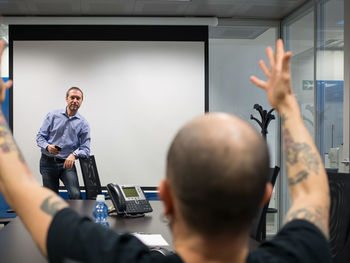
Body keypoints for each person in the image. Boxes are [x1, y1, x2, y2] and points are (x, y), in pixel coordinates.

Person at [0, 39, 330, 263]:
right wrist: (286, 105)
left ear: (165, 197)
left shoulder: (116, 256)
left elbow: (20, 189)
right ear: (264, 197)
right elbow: (312, 194)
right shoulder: (301, 252)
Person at [36, 86, 91, 199]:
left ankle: (75, 217)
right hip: (48, 163)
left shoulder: (83, 124)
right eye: (72, 97)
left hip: (67, 164)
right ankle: (55, 217)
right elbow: (40, 137)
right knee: (51, 199)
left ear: (81, 101)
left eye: (78, 98)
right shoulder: (52, 116)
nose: (75, 101)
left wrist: (74, 154)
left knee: (76, 195)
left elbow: (85, 149)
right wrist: (47, 147)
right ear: (67, 99)